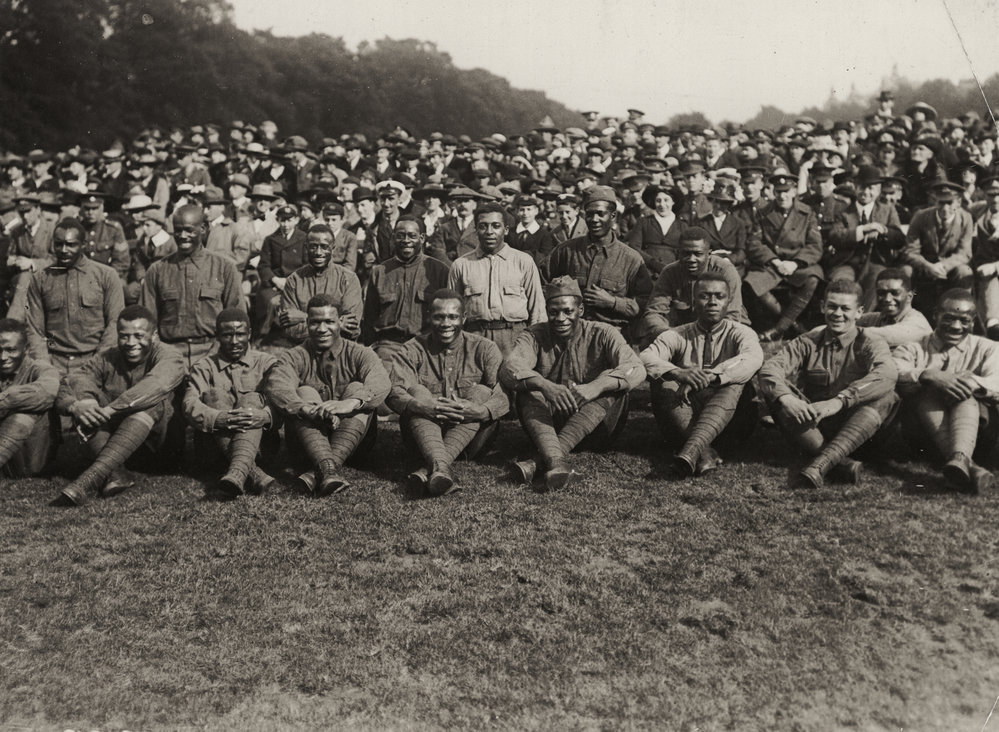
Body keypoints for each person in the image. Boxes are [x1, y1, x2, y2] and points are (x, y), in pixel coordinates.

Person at [499, 276, 646, 491]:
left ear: (581, 310)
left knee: (613, 382)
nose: (561, 318)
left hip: (596, 429)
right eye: (553, 312)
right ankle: (556, 462)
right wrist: (543, 385)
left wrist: (596, 386)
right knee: (528, 388)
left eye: (568, 311)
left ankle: (542, 460)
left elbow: (636, 367)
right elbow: (510, 368)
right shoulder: (533, 335)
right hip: (547, 426)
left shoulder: (603, 332)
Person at [758, 279, 898, 489]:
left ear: (859, 312)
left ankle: (820, 465)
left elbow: (887, 373)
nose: (837, 313)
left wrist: (841, 401)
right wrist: (786, 398)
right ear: (823, 306)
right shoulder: (808, 341)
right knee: (776, 392)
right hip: (816, 427)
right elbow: (770, 369)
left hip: (861, 429)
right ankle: (840, 464)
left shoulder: (870, 342)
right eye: (832, 306)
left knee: (886, 396)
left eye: (845, 308)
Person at [52, 305, 186, 506]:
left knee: (151, 400)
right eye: (124, 336)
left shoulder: (170, 355)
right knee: (88, 403)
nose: (131, 343)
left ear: (154, 335)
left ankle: (90, 478)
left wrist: (112, 409)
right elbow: (73, 380)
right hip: (120, 453)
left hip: (159, 451)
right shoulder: (107, 356)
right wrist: (80, 404)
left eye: (139, 336)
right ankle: (115, 473)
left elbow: (157, 384)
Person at [263, 294, 390, 497]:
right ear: (307, 323)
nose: (322, 329)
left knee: (359, 389)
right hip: (306, 447)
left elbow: (381, 382)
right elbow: (277, 387)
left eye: (329, 322)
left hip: (355, 446)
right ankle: (329, 469)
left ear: (340, 322)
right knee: (304, 392)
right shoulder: (294, 355)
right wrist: (304, 408)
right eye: (315, 322)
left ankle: (322, 469)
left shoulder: (360, 352)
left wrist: (351, 403)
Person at [386, 289, 508, 496]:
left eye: (452, 317)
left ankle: (433, 468)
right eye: (439, 317)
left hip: (471, 441)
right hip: (422, 437)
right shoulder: (412, 348)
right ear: (429, 317)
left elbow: (503, 395)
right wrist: (421, 405)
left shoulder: (485, 348)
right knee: (416, 391)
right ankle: (440, 467)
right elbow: (393, 391)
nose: (445, 324)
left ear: (464, 318)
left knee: (481, 391)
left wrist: (480, 411)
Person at [641, 272, 763, 475]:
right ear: (693, 301)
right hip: (685, 418)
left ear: (728, 301)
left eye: (719, 296)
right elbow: (645, 357)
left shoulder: (741, 332)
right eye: (705, 296)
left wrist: (712, 377)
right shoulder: (678, 334)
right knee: (664, 383)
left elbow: (753, 358)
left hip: (730, 422)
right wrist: (678, 373)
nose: (712, 302)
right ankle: (703, 451)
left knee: (735, 381)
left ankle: (692, 449)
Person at [893, 289, 999, 493]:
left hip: (978, 432)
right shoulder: (913, 346)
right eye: (949, 318)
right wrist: (929, 375)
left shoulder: (989, 347)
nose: (956, 326)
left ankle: (961, 460)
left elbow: (997, 381)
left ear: (974, 321)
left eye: (964, 320)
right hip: (921, 433)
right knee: (927, 390)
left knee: (964, 389)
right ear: (935, 315)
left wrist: (970, 382)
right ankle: (968, 465)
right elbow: (894, 369)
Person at [183, 309, 277, 498]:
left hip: (260, 448)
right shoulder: (204, 367)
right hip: (214, 452)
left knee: (252, 399)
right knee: (214, 396)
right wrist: (219, 418)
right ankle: (252, 473)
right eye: (227, 335)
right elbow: (189, 403)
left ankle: (237, 472)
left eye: (240, 334)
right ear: (217, 336)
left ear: (249, 334)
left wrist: (264, 415)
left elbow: (283, 400)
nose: (234, 341)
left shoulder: (267, 363)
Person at [548, 185, 653, 337]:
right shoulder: (566, 250)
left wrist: (612, 302)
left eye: (600, 214)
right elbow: (542, 282)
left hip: (612, 337)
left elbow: (645, 303)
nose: (594, 219)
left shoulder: (631, 259)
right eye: (590, 214)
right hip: (569, 335)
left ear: (612, 216)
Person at [24, 218, 125, 375]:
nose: (64, 250)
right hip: (53, 363)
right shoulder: (40, 279)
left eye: (71, 244)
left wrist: (98, 364)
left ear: (83, 245)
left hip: (95, 361)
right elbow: (34, 330)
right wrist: (45, 368)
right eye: (58, 244)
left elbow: (115, 324)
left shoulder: (106, 276)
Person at [447, 201, 545, 356]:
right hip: (475, 339)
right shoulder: (461, 265)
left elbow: (537, 312)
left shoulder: (523, 262)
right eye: (483, 226)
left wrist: (535, 348)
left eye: (496, 226)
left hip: (515, 339)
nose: (489, 231)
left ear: (505, 230)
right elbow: (451, 312)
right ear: (475, 229)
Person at [744, 173, 823, 342]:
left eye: (786, 191)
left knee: (813, 278)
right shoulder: (764, 213)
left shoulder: (806, 213)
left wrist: (795, 263)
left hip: (798, 264)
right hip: (773, 264)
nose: (782, 196)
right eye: (778, 191)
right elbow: (753, 243)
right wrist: (775, 261)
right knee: (752, 282)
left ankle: (779, 328)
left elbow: (815, 245)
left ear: (794, 191)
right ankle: (792, 325)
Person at [637, 226, 747, 345]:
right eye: (686, 254)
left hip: (719, 330)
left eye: (698, 254)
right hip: (681, 331)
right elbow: (654, 312)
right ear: (678, 253)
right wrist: (668, 334)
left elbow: (732, 316)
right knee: (648, 341)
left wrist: (706, 339)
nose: (691, 259)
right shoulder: (669, 272)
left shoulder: (725, 271)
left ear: (708, 253)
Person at [362, 217, 450, 363]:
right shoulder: (379, 272)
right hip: (388, 348)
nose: (406, 240)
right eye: (400, 235)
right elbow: (370, 318)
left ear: (422, 238)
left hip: (427, 347)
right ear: (393, 238)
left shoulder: (440, 271)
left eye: (412, 236)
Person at [825, 166, 905, 310]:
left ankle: (862, 322)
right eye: (862, 187)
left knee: (878, 282)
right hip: (847, 262)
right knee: (841, 284)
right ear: (855, 187)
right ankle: (842, 321)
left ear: (879, 190)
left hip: (877, 261)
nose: (866, 192)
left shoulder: (887, 210)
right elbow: (835, 236)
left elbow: (899, 238)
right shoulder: (843, 211)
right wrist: (862, 230)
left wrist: (883, 230)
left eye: (871, 188)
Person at [278, 224, 363, 341]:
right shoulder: (294, 280)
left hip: (340, 351)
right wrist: (337, 323)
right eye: (313, 247)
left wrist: (304, 317)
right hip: (304, 350)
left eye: (324, 247)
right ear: (306, 247)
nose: (318, 252)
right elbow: (290, 330)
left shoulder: (348, 279)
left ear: (333, 247)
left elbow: (351, 328)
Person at [0, 318, 60, 477]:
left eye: (11, 349)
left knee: (24, 414)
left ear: (25, 349)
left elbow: (48, 392)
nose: (3, 357)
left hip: (32, 456)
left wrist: (7, 400)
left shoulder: (40, 368)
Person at [904, 181, 974, 313]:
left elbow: (964, 253)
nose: (945, 208)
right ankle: (903, 313)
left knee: (965, 271)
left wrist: (943, 266)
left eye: (950, 203)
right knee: (905, 271)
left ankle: (962, 312)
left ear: (958, 202)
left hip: (950, 269)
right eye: (941, 202)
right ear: (934, 201)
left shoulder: (966, 219)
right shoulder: (921, 217)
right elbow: (910, 251)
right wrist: (928, 266)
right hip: (924, 268)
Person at [255, 202, 308, 337]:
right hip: (274, 283)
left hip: (298, 282)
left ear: (296, 220)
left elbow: (307, 265)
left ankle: (294, 332)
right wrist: (274, 279)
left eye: (289, 220)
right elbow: (263, 265)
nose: (286, 225)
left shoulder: (304, 238)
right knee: (268, 301)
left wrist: (291, 281)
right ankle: (267, 332)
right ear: (278, 220)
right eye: (282, 221)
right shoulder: (270, 239)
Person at [626, 184, 686, 275]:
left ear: (673, 202)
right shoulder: (643, 222)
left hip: (672, 273)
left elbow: (684, 251)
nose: (662, 204)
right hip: (646, 270)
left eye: (666, 200)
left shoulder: (682, 226)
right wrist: (652, 263)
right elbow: (634, 246)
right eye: (658, 201)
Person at [77, 192, 129, 280]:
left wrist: (106, 279)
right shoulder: (77, 228)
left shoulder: (113, 229)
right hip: (82, 277)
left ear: (102, 208)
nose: (90, 212)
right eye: (87, 209)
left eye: (95, 208)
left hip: (107, 277)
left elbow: (122, 261)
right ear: (82, 209)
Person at [971, 176, 999, 339]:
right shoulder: (977, 211)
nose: (996, 199)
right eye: (991, 194)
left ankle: (993, 323)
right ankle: (992, 326)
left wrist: (995, 266)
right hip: (984, 271)